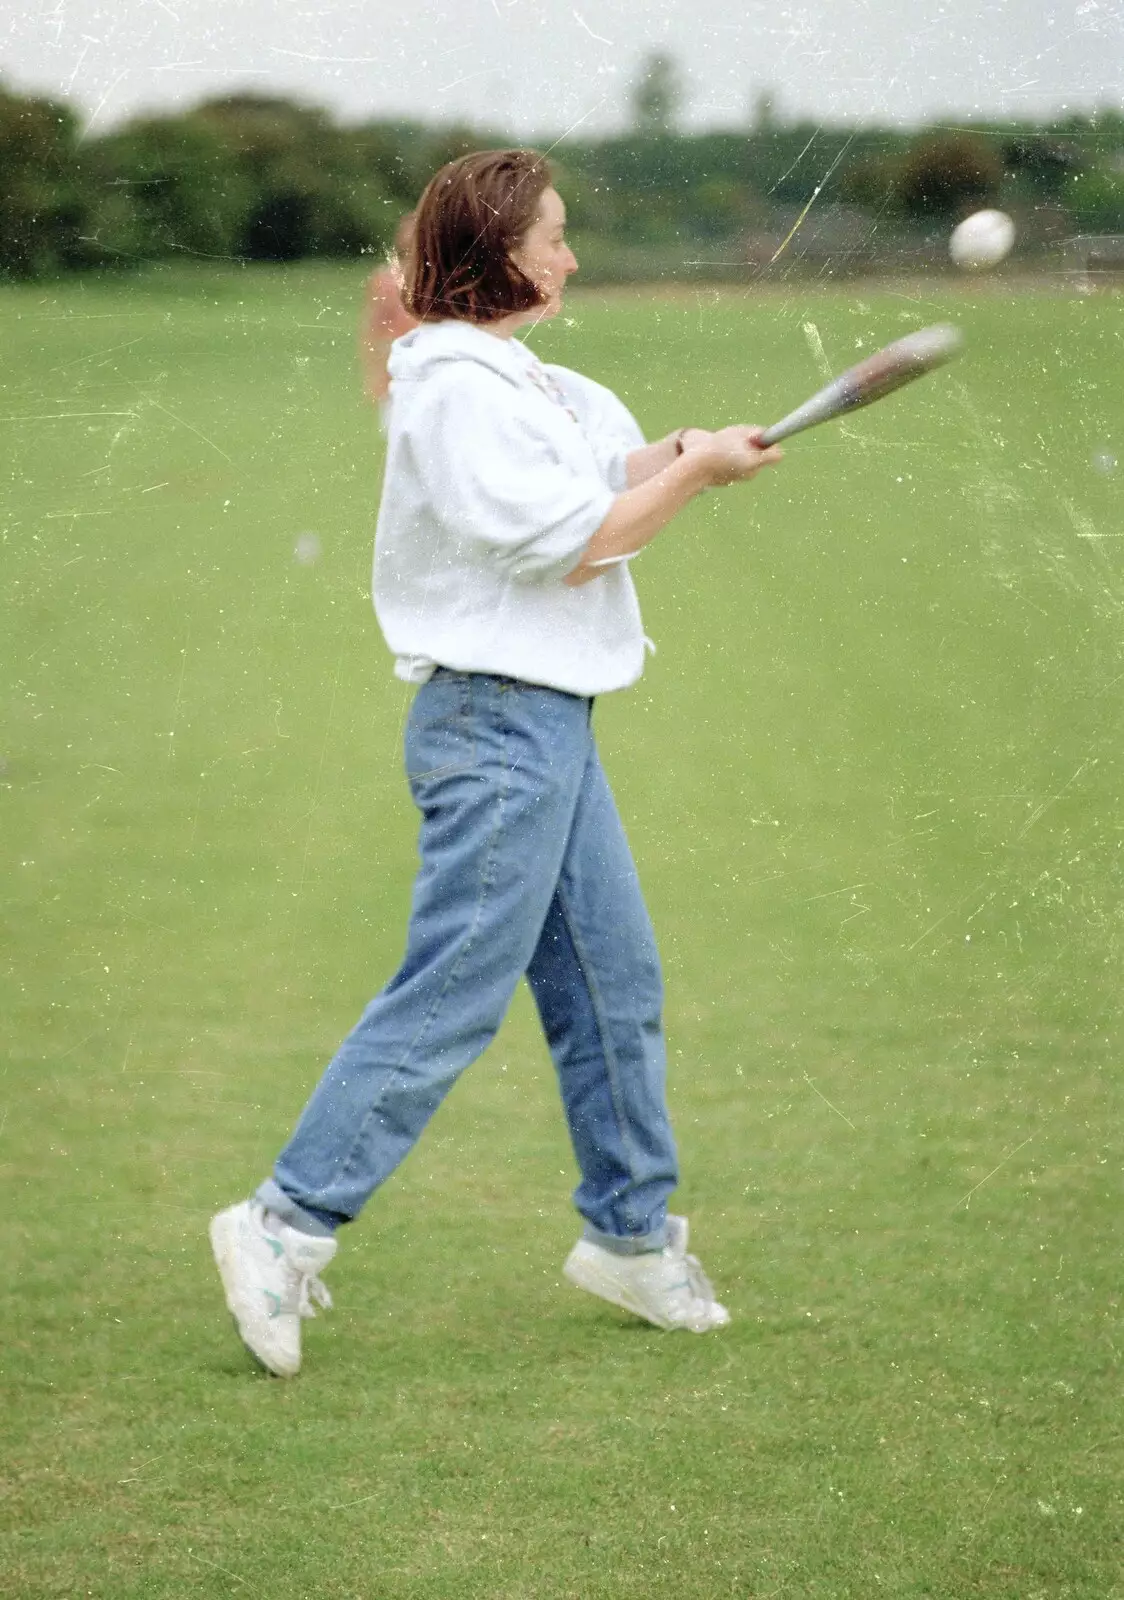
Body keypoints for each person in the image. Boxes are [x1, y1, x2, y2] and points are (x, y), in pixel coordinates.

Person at [210, 149, 783, 1377]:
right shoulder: (457, 388)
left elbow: (597, 479)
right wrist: (687, 476)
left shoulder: (521, 379)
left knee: (611, 987)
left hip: (550, 725)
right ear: (501, 251)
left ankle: (629, 1235)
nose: (571, 257)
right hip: (494, 731)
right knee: (453, 992)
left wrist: (685, 449)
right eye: (556, 237)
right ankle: (281, 1224)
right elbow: (567, 544)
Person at [358, 211, 418, 427]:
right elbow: (372, 328)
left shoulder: (441, 279)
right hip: (396, 365)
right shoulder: (385, 279)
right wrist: (374, 373)